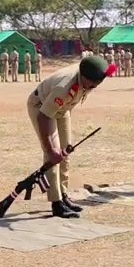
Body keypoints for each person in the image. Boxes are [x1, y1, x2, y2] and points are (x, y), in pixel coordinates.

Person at [27, 55, 108, 218]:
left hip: (62, 109)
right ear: (83, 77)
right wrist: (50, 149)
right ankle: (56, 203)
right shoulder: (64, 87)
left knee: (65, 153)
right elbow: (43, 117)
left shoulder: (88, 74)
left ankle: (63, 195)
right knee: (54, 155)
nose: (93, 87)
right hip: (42, 107)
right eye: (91, 84)